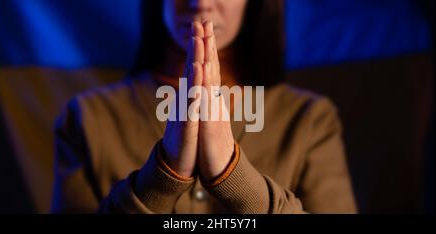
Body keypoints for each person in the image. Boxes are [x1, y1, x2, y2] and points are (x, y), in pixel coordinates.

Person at [51, 0, 357, 214]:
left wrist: (232, 174)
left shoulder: (310, 118)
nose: (201, 3)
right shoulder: (87, 117)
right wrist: (163, 177)